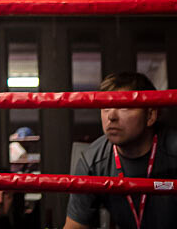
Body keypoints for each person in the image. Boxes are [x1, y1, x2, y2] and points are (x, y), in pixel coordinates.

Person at [64, 72, 177, 229]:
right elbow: (75, 226)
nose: (111, 116)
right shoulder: (92, 160)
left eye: (124, 106)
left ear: (150, 115)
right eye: (105, 106)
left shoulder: (173, 150)